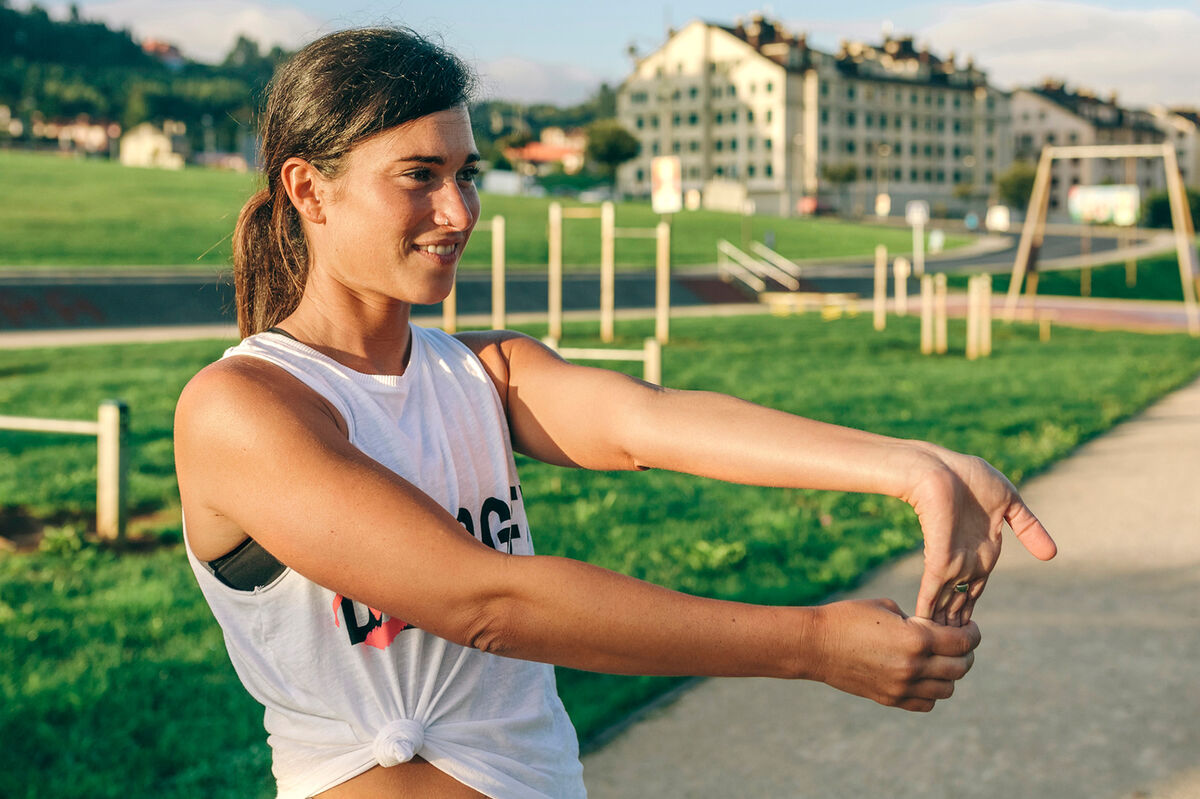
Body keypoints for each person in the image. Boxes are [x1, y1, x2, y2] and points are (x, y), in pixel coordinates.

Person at [173, 27, 1057, 799]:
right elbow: (488, 602)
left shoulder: (483, 371)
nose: (458, 210)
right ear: (309, 189)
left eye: (466, 174)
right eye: (419, 176)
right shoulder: (241, 407)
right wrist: (815, 643)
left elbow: (650, 420)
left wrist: (918, 467)